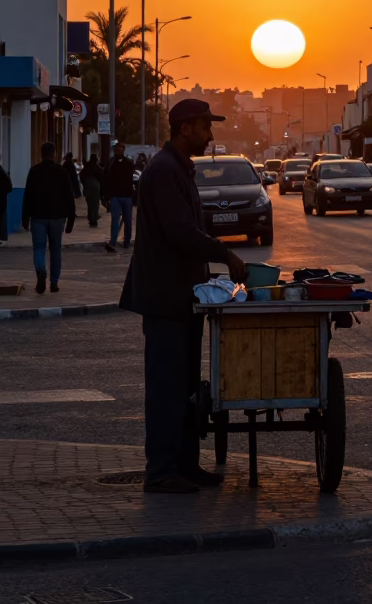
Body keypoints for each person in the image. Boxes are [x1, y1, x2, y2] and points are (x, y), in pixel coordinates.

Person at [120, 98, 247, 494]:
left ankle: (186, 465)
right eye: (206, 127)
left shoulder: (180, 169)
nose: (211, 135)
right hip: (165, 298)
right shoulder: (163, 171)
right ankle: (161, 471)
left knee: (187, 387)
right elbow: (180, 231)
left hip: (185, 297)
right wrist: (224, 254)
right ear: (185, 127)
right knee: (166, 388)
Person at [22, 142, 76, 295]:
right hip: (58, 217)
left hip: (38, 216)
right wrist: (71, 219)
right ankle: (54, 282)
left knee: (39, 247)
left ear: (41, 154)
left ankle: (40, 271)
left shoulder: (34, 171)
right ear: (54, 154)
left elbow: (28, 196)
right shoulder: (62, 172)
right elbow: (69, 197)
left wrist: (25, 218)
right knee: (55, 249)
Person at [102, 142, 137, 253]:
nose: (118, 152)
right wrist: (106, 195)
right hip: (115, 196)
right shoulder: (111, 163)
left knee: (127, 220)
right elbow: (106, 178)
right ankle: (113, 241)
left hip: (126, 196)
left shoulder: (129, 163)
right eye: (116, 150)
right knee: (115, 220)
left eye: (120, 150)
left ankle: (126, 241)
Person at [80, 153, 103, 227]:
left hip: (87, 186)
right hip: (95, 186)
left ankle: (91, 218)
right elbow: (101, 177)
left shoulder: (86, 167)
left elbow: (82, 177)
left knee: (89, 203)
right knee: (95, 203)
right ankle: (94, 219)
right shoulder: (97, 167)